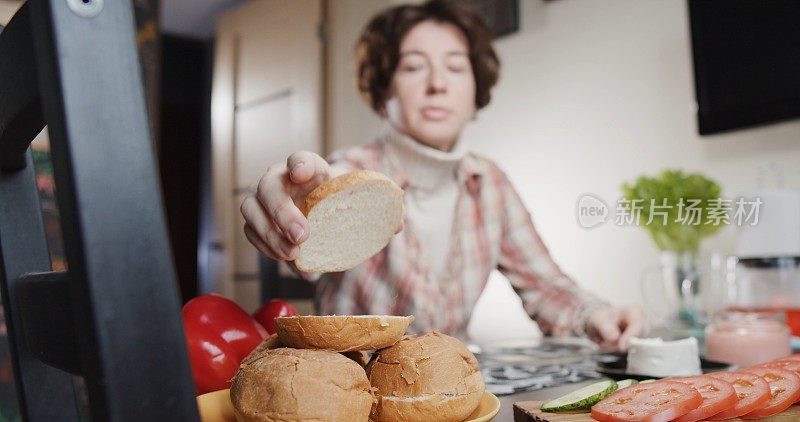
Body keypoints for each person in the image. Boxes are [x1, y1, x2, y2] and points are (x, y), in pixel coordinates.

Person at [240, 0, 647, 350]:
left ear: (475, 90)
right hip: (356, 393)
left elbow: (546, 286)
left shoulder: (491, 184)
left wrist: (599, 316)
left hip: (456, 394)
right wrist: (296, 210)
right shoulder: (355, 170)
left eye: (455, 67)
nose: (437, 84)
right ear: (385, 91)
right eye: (415, 67)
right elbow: (323, 203)